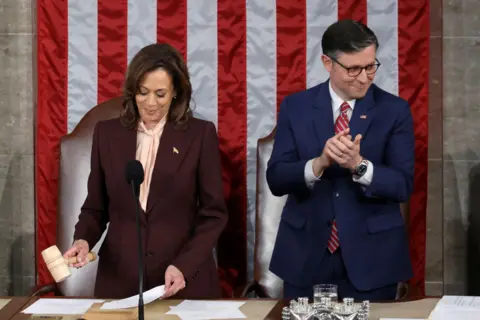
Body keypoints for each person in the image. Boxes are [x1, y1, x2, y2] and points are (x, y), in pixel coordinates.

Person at [63, 43, 228, 299]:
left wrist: (184, 266)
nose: (150, 103)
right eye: (143, 92)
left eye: (160, 94)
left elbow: (213, 215)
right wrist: (83, 240)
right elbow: (95, 206)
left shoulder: (199, 135)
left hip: (182, 283)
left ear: (176, 93)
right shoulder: (107, 134)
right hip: (120, 282)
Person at [266, 19, 414, 301]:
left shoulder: (394, 111)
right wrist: (319, 163)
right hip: (305, 257)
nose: (364, 77)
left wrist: (359, 165)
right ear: (327, 62)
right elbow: (276, 178)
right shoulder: (296, 107)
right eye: (353, 68)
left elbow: (403, 184)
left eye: (370, 66)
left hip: (372, 260)